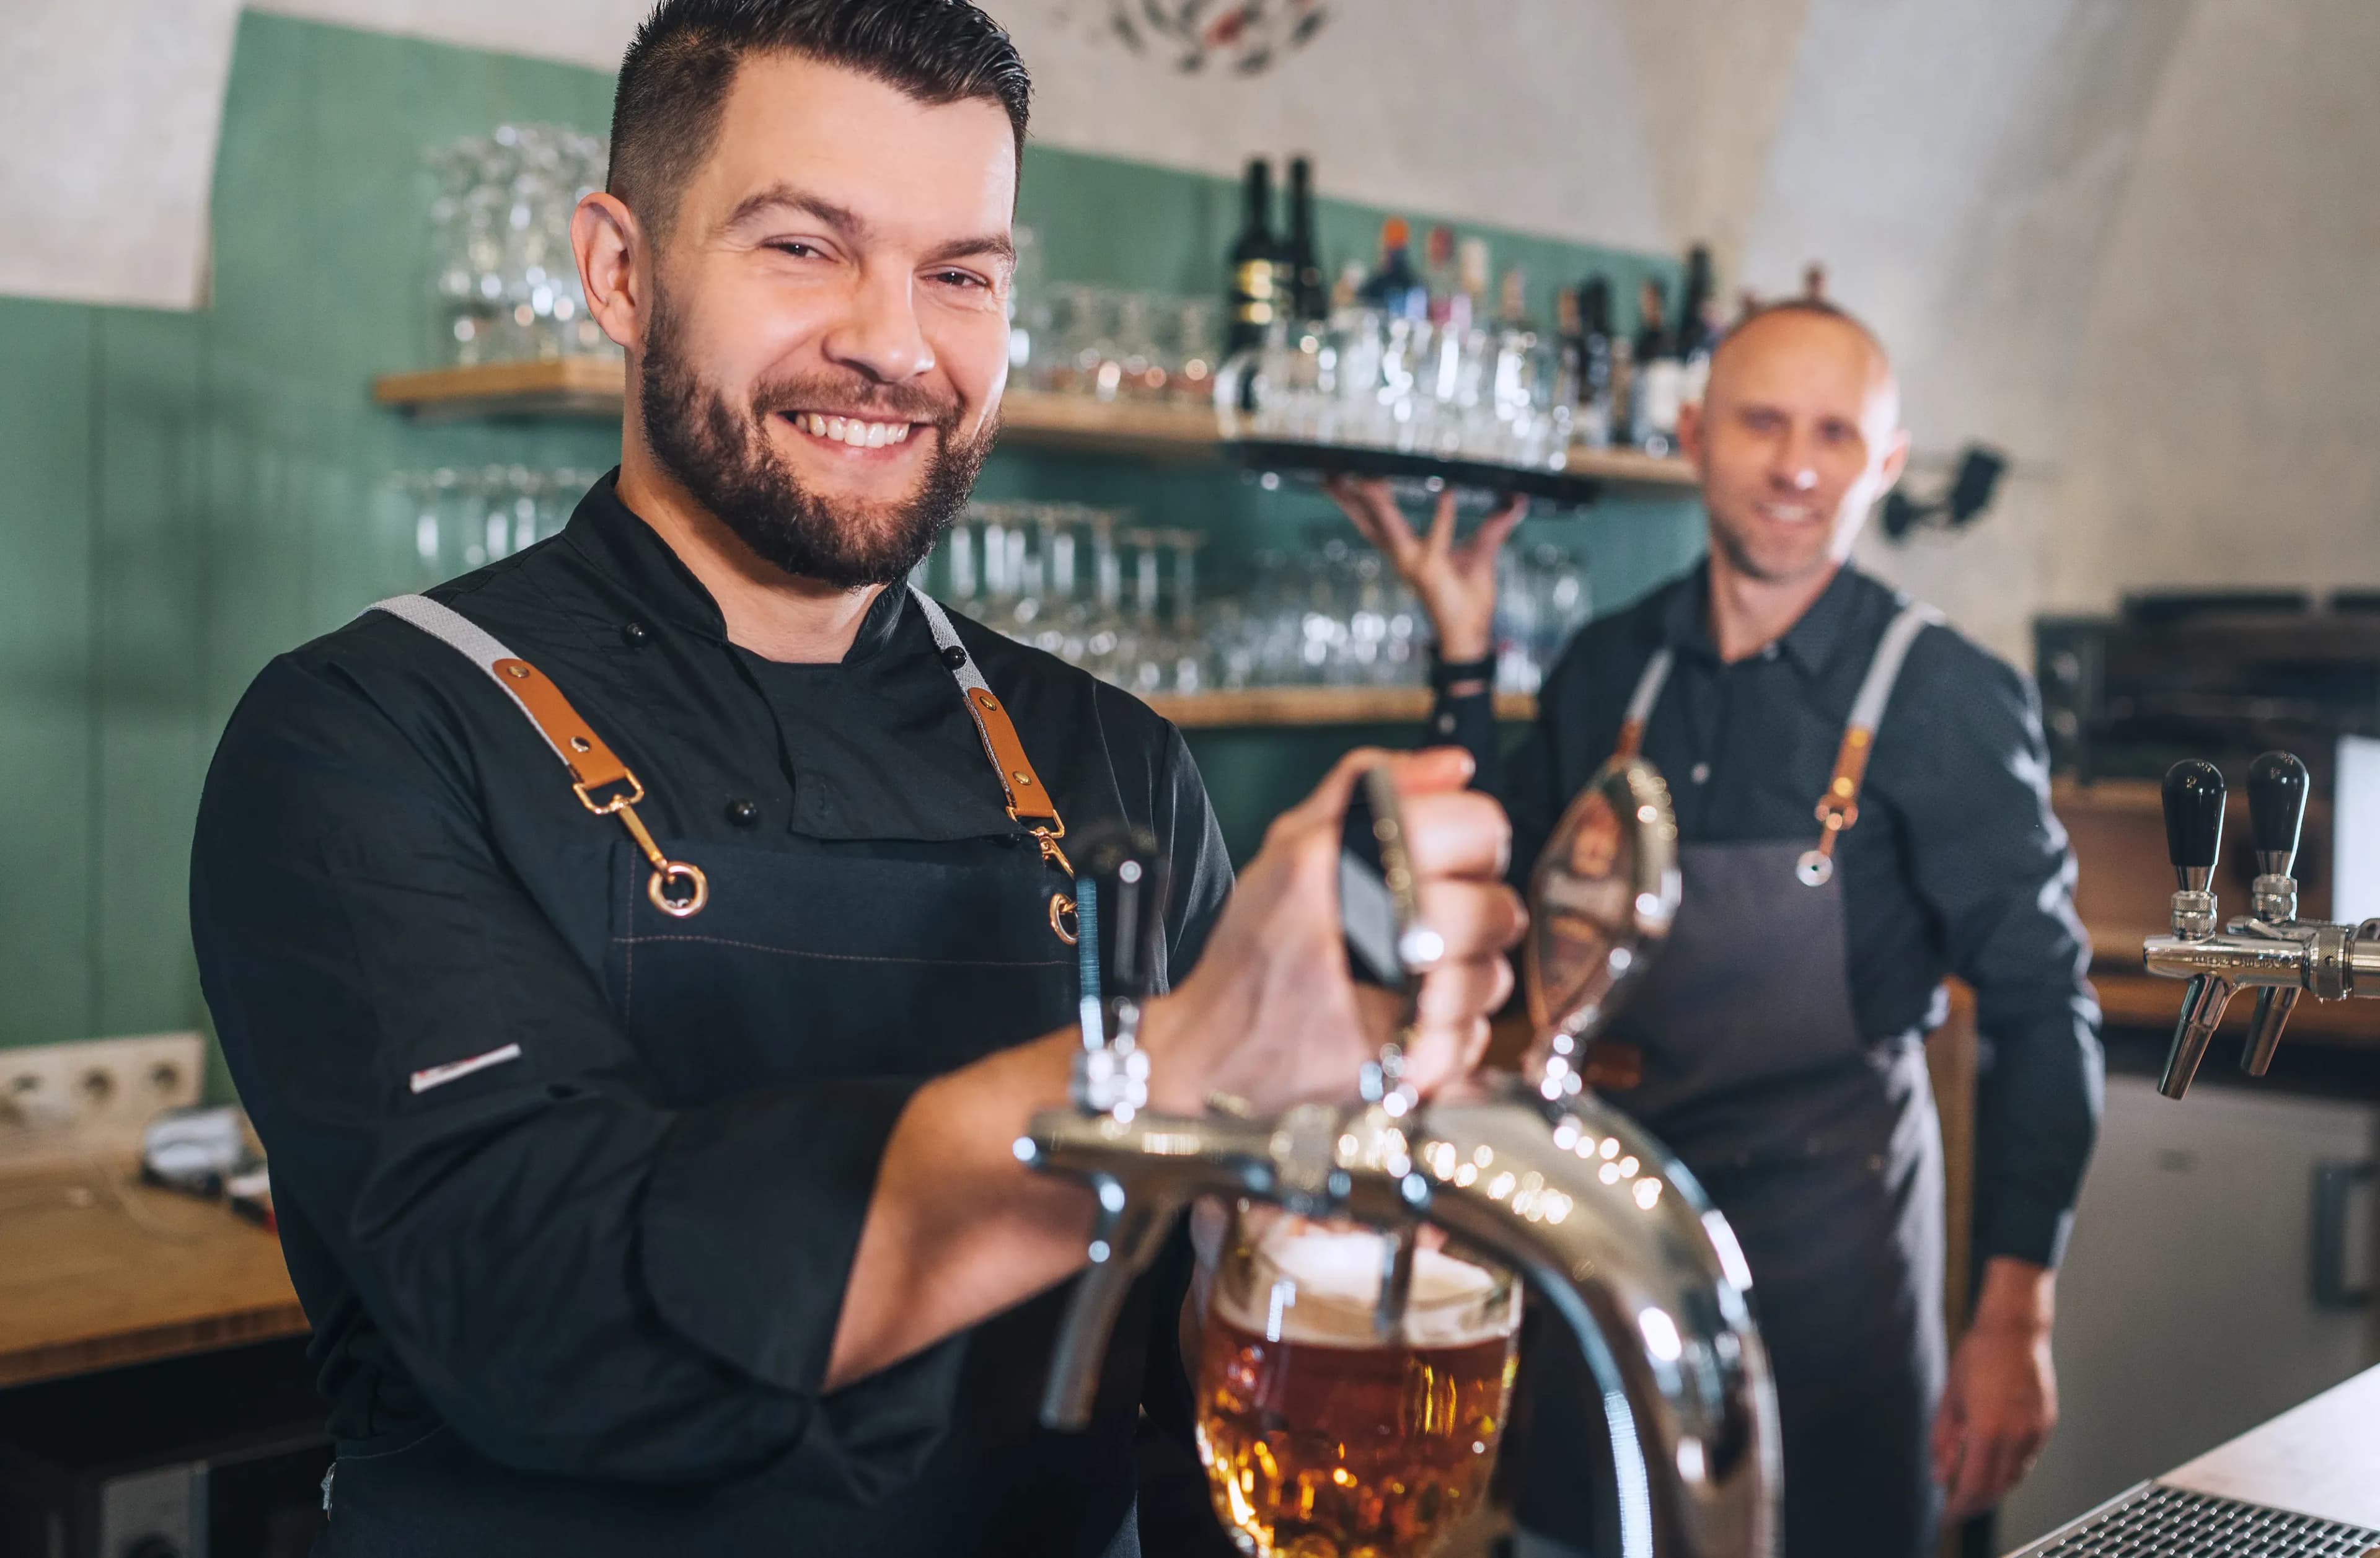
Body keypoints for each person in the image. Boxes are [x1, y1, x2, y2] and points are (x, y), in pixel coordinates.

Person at [188, 4, 1523, 1554]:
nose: (895, 344)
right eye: (806, 249)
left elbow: (1202, 1356)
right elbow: (543, 1310)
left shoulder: (1113, 763)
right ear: (620, 271)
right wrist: (1159, 1075)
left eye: (960, 273)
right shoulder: (369, 734)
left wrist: (1333, 1173)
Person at [1331, 299, 2103, 1557]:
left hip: (1833, 1289)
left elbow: (2042, 1008)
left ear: (1886, 465)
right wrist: (1464, 663)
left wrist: (2014, 1317)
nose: (1797, 465)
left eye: (1836, 435)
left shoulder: (1948, 697)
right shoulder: (1608, 668)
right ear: (1693, 433)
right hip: (1611, 1268)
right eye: (1761, 422)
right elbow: (1484, 888)